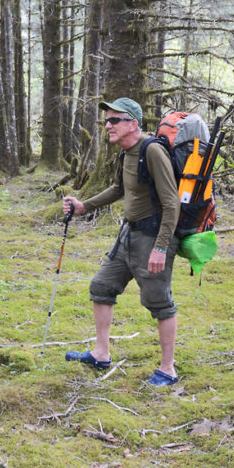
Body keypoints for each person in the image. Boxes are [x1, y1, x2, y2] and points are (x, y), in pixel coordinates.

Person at [62, 97, 181, 386]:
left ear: (133, 124)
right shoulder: (124, 153)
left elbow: (172, 203)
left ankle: (168, 369)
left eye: (115, 120)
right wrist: (84, 206)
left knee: (159, 302)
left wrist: (161, 248)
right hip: (128, 233)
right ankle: (101, 354)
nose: (107, 125)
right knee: (101, 286)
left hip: (153, 236)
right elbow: (118, 188)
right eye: (106, 120)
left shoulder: (151, 151)